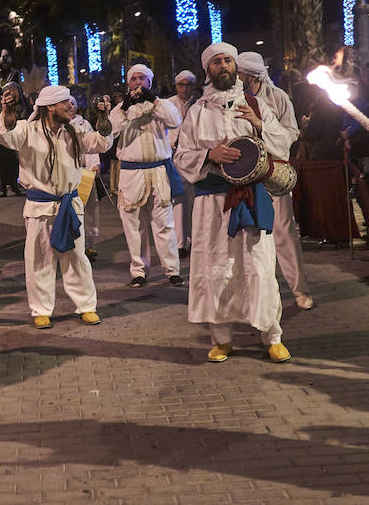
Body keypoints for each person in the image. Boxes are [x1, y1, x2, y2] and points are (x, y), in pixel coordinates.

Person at [174, 42, 295, 364]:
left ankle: (272, 336)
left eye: (228, 60)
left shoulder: (255, 103)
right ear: (208, 70)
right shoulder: (197, 111)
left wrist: (260, 125)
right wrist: (209, 154)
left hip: (252, 198)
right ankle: (222, 339)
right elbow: (181, 157)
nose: (224, 66)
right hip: (211, 205)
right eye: (217, 62)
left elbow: (283, 145)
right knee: (216, 270)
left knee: (260, 267)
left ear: (236, 66)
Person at [0, 85, 112, 329]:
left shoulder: (74, 131)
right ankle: (41, 309)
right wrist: (6, 112)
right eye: (64, 103)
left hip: (69, 205)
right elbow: (2, 135)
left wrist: (103, 118)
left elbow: (101, 143)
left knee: (76, 258)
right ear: (50, 107)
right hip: (40, 207)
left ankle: (86, 306)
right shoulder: (28, 130)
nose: (70, 106)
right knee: (40, 259)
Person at [237, 51, 314, 311]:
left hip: (274, 171)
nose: (236, 76)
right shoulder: (232, 98)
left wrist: (262, 125)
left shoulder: (278, 97)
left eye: (240, 72)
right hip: (243, 174)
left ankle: (299, 290)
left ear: (251, 75)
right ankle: (255, 296)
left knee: (284, 231)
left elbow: (291, 133)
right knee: (247, 234)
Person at [109, 64, 185, 288]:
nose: (138, 83)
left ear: (149, 83)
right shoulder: (120, 108)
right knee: (133, 225)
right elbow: (110, 131)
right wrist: (125, 107)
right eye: (134, 79)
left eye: (142, 79)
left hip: (159, 171)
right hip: (131, 173)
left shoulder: (162, 104)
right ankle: (138, 271)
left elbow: (175, 121)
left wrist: (153, 100)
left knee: (165, 224)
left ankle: (172, 270)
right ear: (128, 83)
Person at [168, 70, 198, 258]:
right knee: (179, 200)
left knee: (196, 201)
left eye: (188, 85)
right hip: (174, 157)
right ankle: (180, 243)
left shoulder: (200, 103)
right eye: (181, 84)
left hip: (196, 157)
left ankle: (194, 240)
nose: (185, 88)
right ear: (176, 85)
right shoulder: (168, 105)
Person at [68, 96, 102, 260]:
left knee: (89, 210)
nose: (70, 107)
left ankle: (89, 244)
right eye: (67, 104)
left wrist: (94, 165)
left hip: (84, 173)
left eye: (72, 104)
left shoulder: (84, 124)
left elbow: (91, 147)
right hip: (67, 174)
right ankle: (72, 244)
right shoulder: (58, 125)